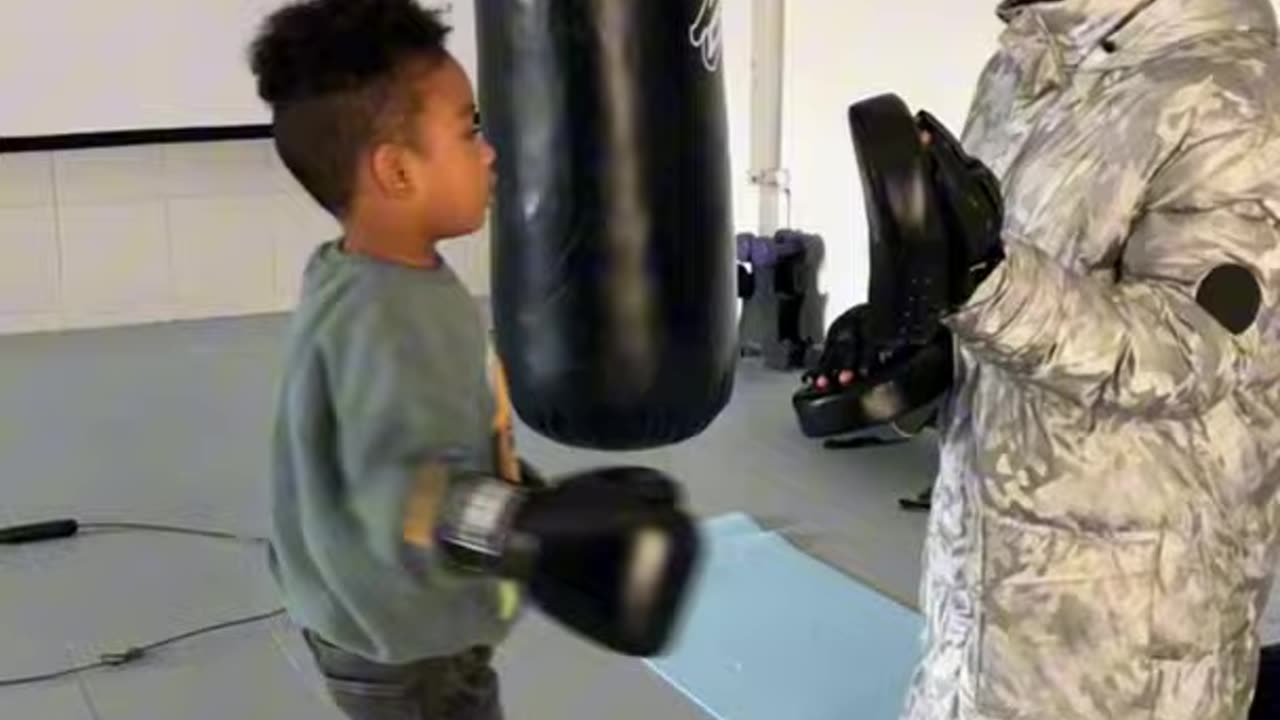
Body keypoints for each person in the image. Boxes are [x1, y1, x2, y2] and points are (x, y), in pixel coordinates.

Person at [813, 0, 1280, 717]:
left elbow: (1191, 347)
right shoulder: (1023, 62)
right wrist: (914, 334)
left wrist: (986, 287)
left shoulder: (1234, 91)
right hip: (983, 577)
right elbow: (1010, 285)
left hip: (1123, 630)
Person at [249, 2, 701, 718]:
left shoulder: (357, 270)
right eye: (469, 130)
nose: (490, 152)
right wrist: (528, 527)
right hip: (402, 639)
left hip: (371, 614)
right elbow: (392, 488)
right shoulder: (390, 319)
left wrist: (537, 493)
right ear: (398, 171)